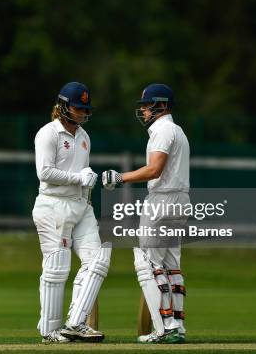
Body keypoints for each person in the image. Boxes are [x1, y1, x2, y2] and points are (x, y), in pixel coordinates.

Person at [102, 83, 188, 344]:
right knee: (172, 266)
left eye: (147, 105)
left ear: (160, 105)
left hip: (162, 200)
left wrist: (120, 178)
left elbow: (154, 170)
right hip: (181, 200)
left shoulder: (162, 130)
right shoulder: (178, 130)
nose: (144, 110)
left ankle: (164, 328)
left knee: (150, 265)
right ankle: (177, 326)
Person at [32, 81, 111, 343]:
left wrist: (85, 191)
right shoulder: (48, 133)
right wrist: (79, 177)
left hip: (80, 206)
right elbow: (44, 173)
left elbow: (82, 177)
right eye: (78, 108)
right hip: (53, 205)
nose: (83, 113)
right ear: (64, 107)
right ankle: (49, 331)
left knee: (98, 259)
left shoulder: (84, 137)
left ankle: (75, 323)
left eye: (85, 109)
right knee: (57, 268)